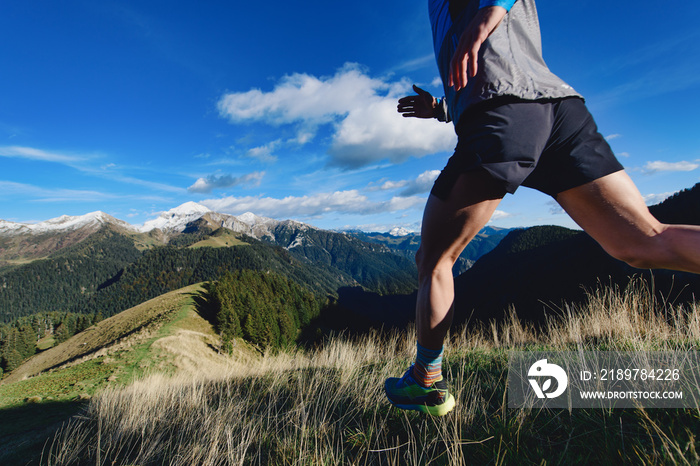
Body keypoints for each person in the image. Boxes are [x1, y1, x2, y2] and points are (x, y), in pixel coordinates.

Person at [384, 0, 700, 416]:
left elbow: (492, 60)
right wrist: (442, 109)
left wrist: (482, 23)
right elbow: (491, 68)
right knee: (643, 240)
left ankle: (426, 381)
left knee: (435, 258)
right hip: (560, 112)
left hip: (503, 115)